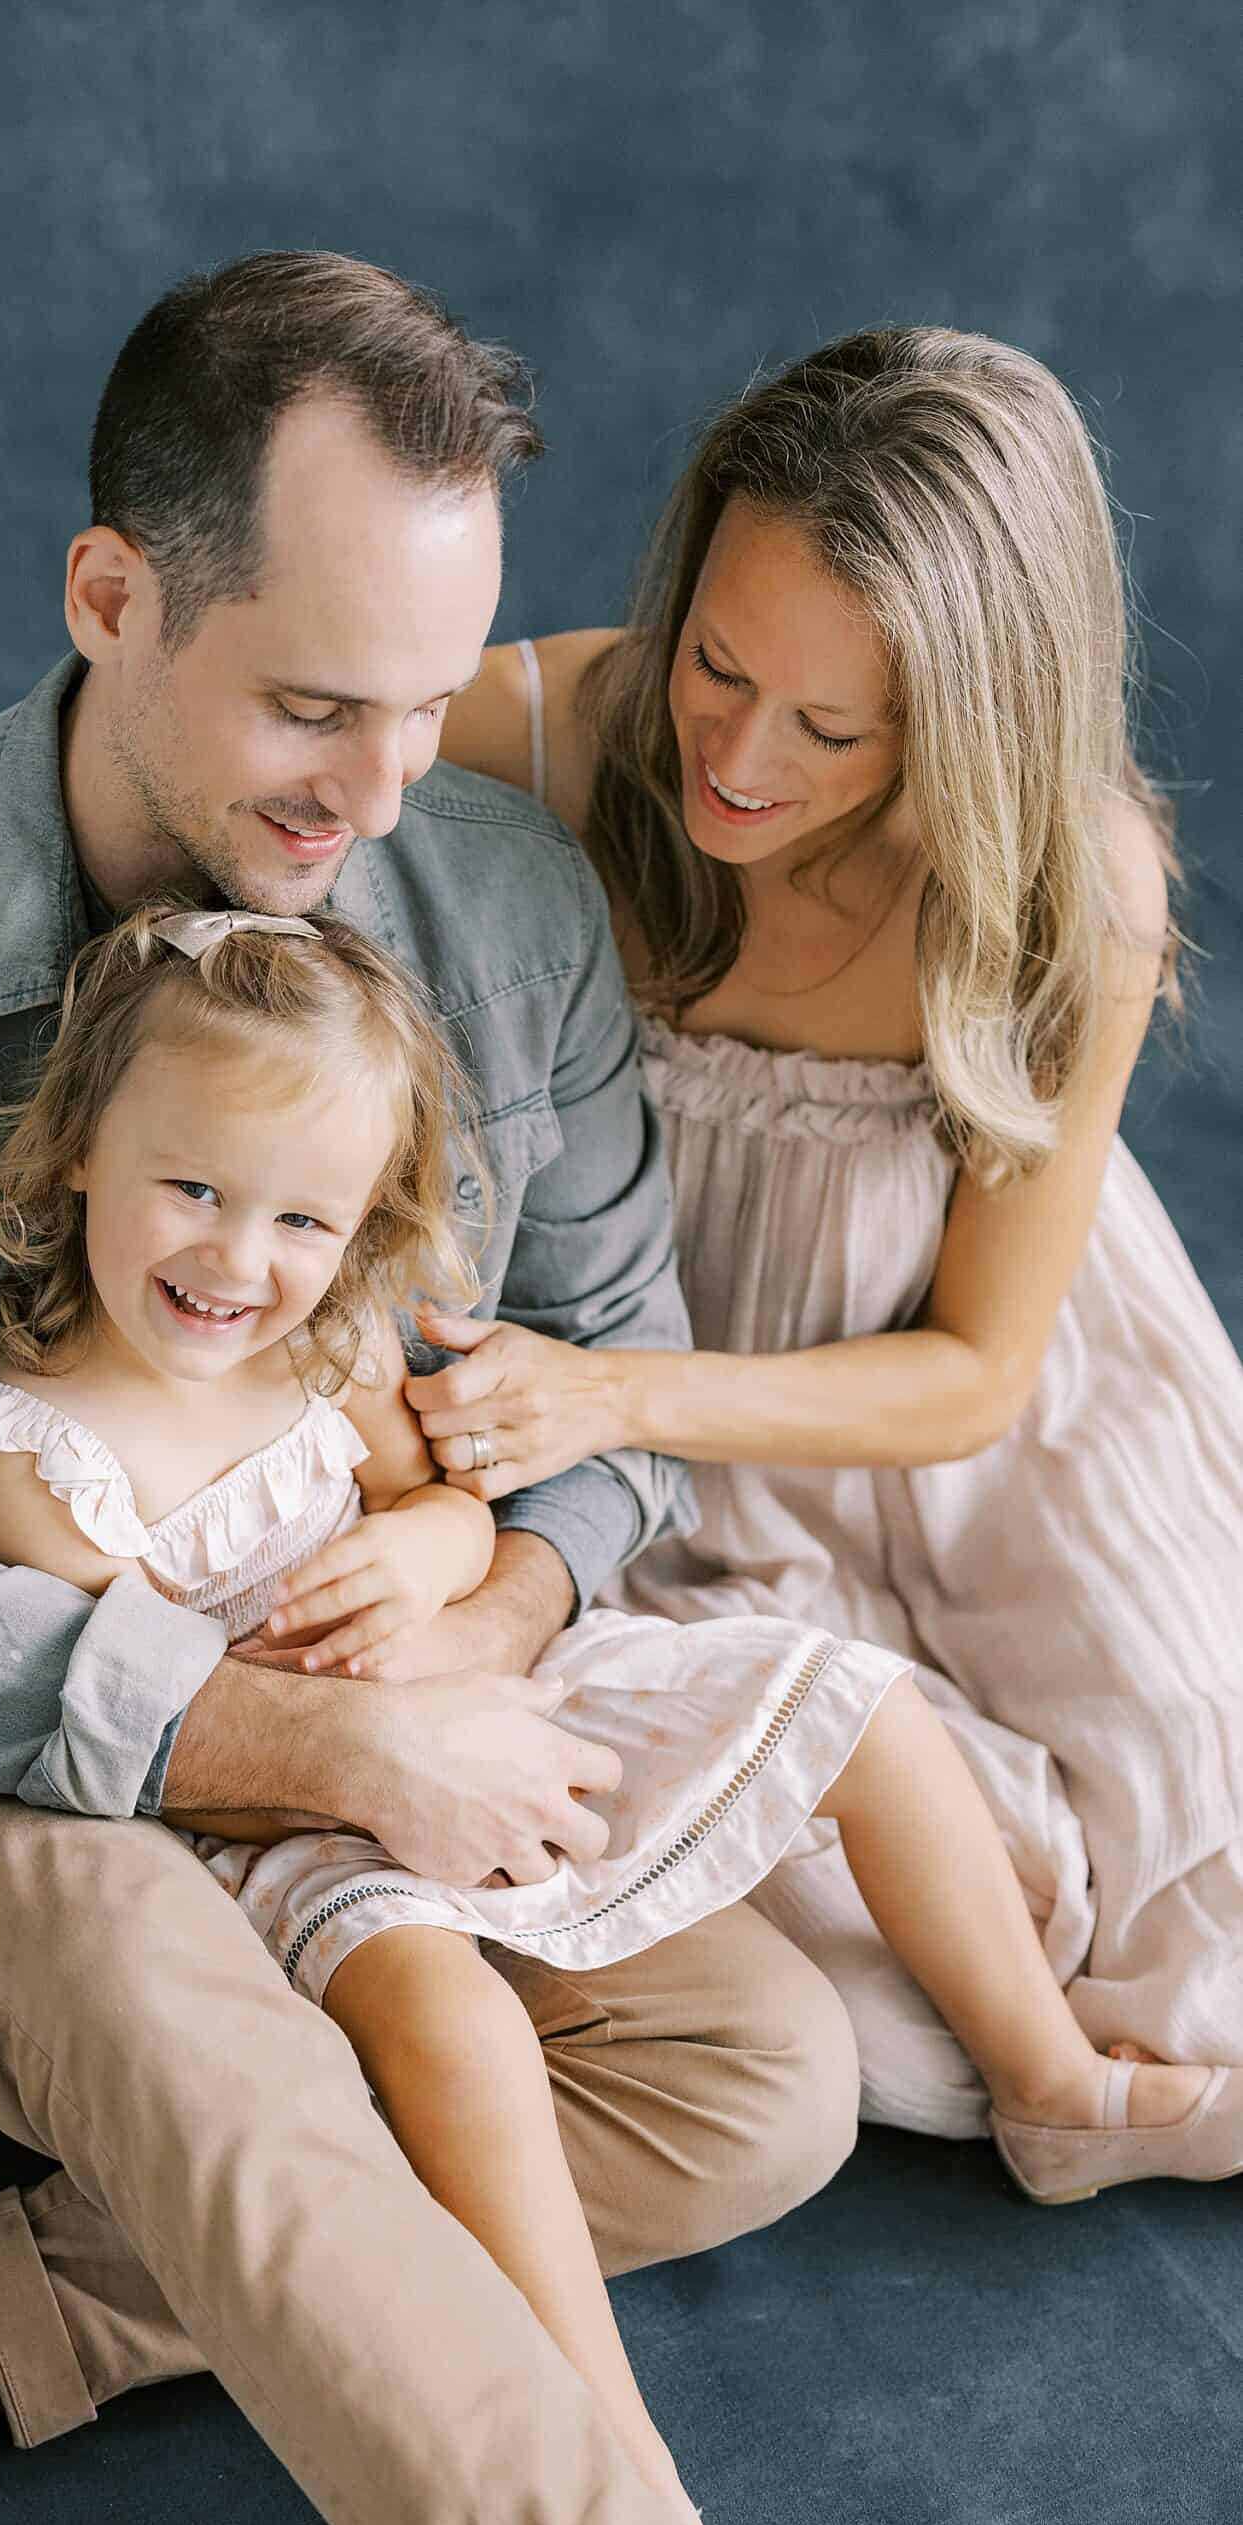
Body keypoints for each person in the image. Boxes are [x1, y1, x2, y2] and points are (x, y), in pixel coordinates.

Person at [0, 254, 863, 2525]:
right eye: (312, 708)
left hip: (369, 1672)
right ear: (111, 594)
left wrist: (495, 1597)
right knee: (171, 1985)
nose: (379, 793)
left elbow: (616, 1381)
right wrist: (326, 1749)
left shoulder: (499, 895)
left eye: (432, 705)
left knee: (760, 2077)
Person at [0, 887, 1243, 2517]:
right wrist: (364, 1758)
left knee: (864, 1706)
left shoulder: (326, 1352)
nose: (234, 1259)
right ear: (78, 1154)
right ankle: (612, 2455)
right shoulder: (28, 1453)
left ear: (354, 1231)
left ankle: (1048, 2082)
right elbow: (130, 1725)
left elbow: (449, 1507)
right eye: (189, 1187)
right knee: (454, 2026)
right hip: (285, 1814)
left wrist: (425, 1562)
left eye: (299, 1223)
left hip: (492, 1689)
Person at [427, 324, 1243, 2149]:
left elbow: (974, 1372)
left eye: (831, 728)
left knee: (1195, 1817)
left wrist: (617, 1395)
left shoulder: (1069, 889)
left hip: (948, 1422)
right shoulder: (534, 730)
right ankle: (1052, 2084)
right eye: (717, 662)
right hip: (623, 1431)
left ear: (968, 722)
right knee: (844, 1980)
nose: (732, 754)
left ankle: (1085, 2082)